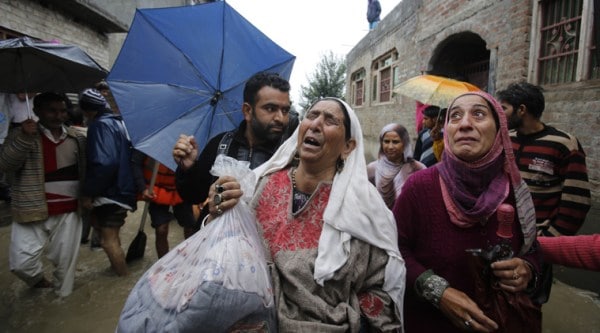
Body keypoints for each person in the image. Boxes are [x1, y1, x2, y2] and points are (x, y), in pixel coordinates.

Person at [201, 97, 405, 331]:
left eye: (330, 121)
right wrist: (218, 213)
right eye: (311, 115)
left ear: (348, 147)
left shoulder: (365, 209)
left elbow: (383, 289)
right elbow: (221, 251)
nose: (315, 124)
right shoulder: (259, 184)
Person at [393, 91, 541, 332]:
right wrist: (437, 292)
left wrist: (527, 268)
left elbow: (532, 247)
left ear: (499, 129)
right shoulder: (419, 186)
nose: (464, 124)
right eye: (455, 117)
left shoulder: (516, 190)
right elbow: (394, 250)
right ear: (447, 130)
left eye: (479, 114)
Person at [173, 72, 295, 222]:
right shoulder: (220, 145)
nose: (280, 118)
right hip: (214, 240)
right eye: (270, 109)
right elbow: (194, 196)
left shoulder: (289, 157)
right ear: (247, 111)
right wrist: (189, 169)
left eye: (285, 110)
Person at [0, 92, 86, 297]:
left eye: (62, 111)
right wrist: (24, 138)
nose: (58, 116)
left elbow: (86, 171)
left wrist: (88, 198)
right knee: (21, 263)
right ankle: (39, 281)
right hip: (31, 207)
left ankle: (62, 308)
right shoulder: (20, 135)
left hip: (69, 211)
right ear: (37, 110)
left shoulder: (77, 138)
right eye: (52, 111)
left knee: (65, 269)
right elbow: (5, 165)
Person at [496, 81, 591, 236]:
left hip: (540, 238)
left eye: (504, 108)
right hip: (505, 232)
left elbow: (577, 201)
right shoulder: (506, 139)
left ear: (521, 110)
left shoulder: (564, 144)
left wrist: (552, 237)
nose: (500, 114)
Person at [79, 88, 137, 277]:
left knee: (107, 240)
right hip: (124, 189)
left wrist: (89, 191)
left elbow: (105, 162)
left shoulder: (99, 125)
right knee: (113, 238)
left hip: (110, 193)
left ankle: (123, 279)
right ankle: (119, 272)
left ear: (87, 111)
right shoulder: (120, 123)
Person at [131, 149, 197, 258]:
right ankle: (163, 264)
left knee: (190, 226)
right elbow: (135, 163)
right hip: (155, 189)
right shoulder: (152, 140)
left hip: (180, 188)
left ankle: (191, 258)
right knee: (161, 229)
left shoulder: (189, 142)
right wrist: (143, 188)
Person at [367, 123, 426, 209]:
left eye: (395, 142)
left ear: (405, 143)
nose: (390, 147)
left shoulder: (418, 169)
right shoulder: (371, 170)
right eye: (386, 141)